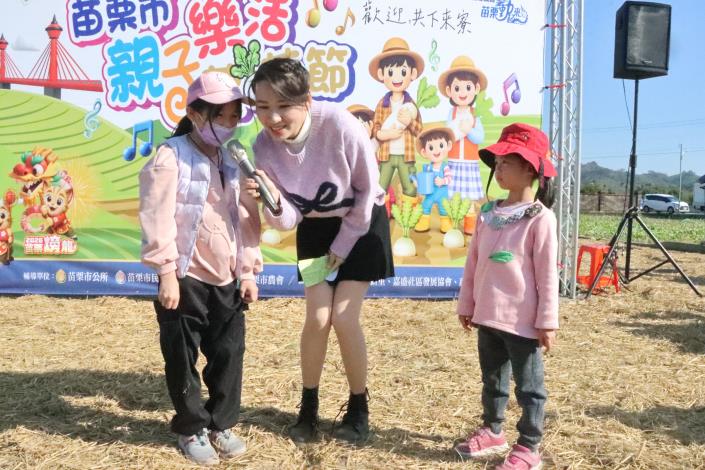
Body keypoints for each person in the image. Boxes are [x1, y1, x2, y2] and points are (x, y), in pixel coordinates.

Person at [244, 58, 394, 445]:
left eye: (283, 106)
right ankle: (308, 408)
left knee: (343, 317)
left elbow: (366, 190)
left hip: (362, 224)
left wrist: (343, 245)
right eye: (263, 107)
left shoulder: (340, 125)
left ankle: (358, 408)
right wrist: (271, 201)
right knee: (317, 317)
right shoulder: (262, 146)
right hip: (313, 230)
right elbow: (289, 218)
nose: (273, 118)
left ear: (307, 101)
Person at [139, 71, 263, 466]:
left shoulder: (235, 158)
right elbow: (156, 216)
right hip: (185, 275)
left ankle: (220, 424)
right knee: (182, 354)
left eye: (234, 116)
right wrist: (166, 273)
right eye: (219, 115)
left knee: (230, 352)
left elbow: (246, 219)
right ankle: (191, 427)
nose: (228, 124)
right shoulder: (170, 156)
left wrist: (247, 271)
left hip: (227, 275)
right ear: (194, 114)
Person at [454, 123, 559, 470]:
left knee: (529, 387)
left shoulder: (540, 219)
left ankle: (529, 447)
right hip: (487, 316)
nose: (498, 169)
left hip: (522, 322)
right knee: (493, 380)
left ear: (530, 169)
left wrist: (547, 322)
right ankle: (493, 431)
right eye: (496, 163)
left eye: (506, 163)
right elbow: (473, 264)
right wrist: (467, 304)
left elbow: (546, 275)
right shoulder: (488, 214)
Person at [438, 55, 488, 233]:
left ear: (476, 89)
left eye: (467, 87)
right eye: (457, 88)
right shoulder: (451, 114)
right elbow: (448, 134)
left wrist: (469, 131)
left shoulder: (475, 115)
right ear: (449, 91)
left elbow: (479, 137)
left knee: (468, 198)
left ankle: (469, 222)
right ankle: (452, 222)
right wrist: (456, 131)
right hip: (453, 162)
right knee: (453, 194)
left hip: (469, 163)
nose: (462, 92)